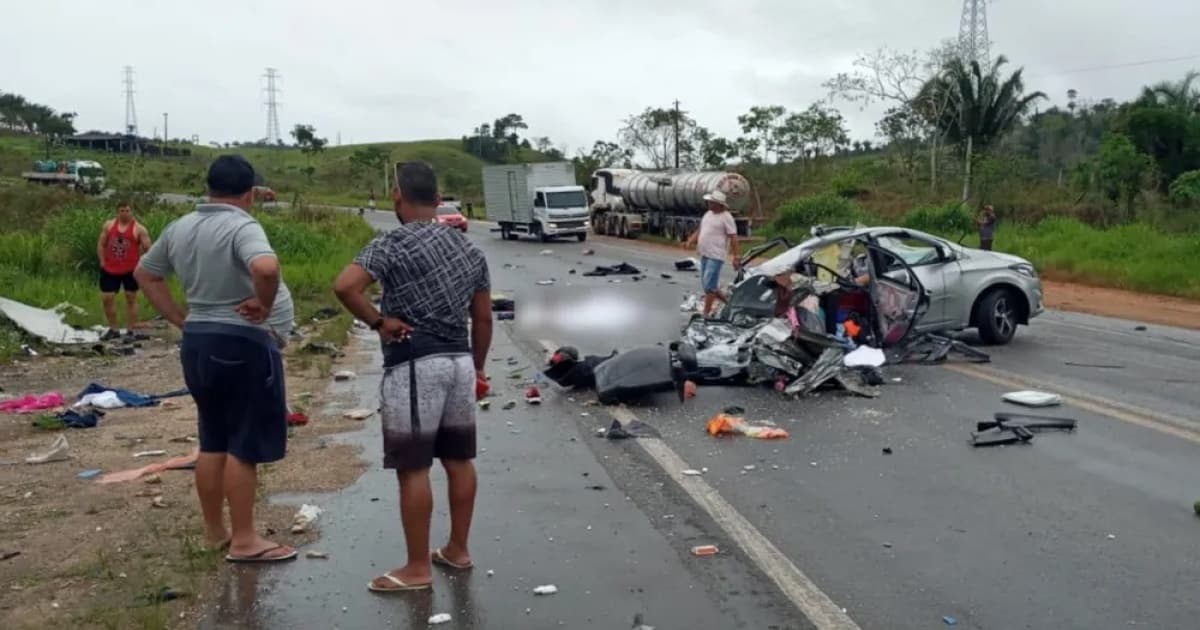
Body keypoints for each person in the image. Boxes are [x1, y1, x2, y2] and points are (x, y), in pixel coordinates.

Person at [333, 161, 493, 593]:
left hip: (414, 364)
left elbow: (346, 286)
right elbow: (482, 317)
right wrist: (477, 367)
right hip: (459, 361)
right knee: (459, 460)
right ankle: (458, 549)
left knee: (413, 467)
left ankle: (417, 568)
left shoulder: (391, 243)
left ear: (397, 197)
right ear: (439, 201)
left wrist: (379, 322)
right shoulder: (469, 249)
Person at [134, 155, 298, 564]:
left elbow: (145, 273)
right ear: (249, 194)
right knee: (243, 444)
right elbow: (266, 266)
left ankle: (215, 532)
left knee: (212, 439)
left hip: (199, 343)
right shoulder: (241, 225)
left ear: (209, 187)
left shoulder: (181, 226)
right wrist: (263, 304)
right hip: (241, 344)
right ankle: (245, 541)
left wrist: (177, 317)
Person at [97, 202, 153, 340]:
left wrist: (145, 266)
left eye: (127, 210)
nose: (124, 213)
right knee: (107, 298)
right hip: (110, 268)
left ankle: (131, 330)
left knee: (131, 298)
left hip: (130, 269)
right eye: (121, 210)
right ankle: (114, 329)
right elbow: (101, 244)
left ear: (131, 212)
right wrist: (102, 261)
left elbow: (149, 249)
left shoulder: (139, 229)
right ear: (118, 212)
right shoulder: (109, 225)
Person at [685, 190, 741, 318]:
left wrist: (736, 256)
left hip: (716, 256)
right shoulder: (708, 214)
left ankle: (706, 314)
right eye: (709, 202)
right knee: (709, 286)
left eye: (711, 202)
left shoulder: (726, 217)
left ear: (719, 204)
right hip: (705, 254)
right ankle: (729, 304)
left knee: (709, 285)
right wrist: (690, 241)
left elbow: (733, 237)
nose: (709, 204)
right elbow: (700, 229)